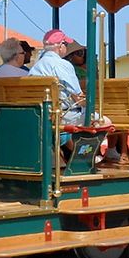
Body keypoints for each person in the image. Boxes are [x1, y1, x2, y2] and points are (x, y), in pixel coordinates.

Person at [30, 29, 117, 161]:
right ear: (60, 46)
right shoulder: (63, 65)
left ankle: (73, 154)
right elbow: (78, 97)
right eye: (66, 44)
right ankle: (84, 156)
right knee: (105, 122)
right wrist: (91, 103)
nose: (67, 48)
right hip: (63, 115)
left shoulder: (35, 67)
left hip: (42, 115)